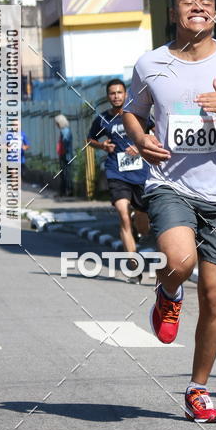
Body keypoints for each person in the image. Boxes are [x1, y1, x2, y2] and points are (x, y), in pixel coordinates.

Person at [122, 0, 216, 422]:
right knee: (181, 261)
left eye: (207, 3)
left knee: (214, 295)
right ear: (174, 14)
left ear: (215, 14)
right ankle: (168, 291)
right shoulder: (151, 63)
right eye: (189, 2)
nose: (199, 8)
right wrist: (140, 138)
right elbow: (132, 109)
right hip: (170, 184)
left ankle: (198, 388)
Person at [88, 79, 151, 281]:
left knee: (143, 223)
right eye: (112, 93)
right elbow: (90, 139)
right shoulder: (103, 119)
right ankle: (134, 266)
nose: (116, 96)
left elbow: (156, 132)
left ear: (125, 95)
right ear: (108, 96)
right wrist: (102, 146)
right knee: (123, 214)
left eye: (119, 92)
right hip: (117, 172)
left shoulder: (137, 115)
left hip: (141, 173)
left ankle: (137, 222)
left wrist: (140, 146)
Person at [55, 114, 74, 197]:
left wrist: (64, 152)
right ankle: (64, 191)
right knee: (64, 173)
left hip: (65, 155)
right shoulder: (64, 130)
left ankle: (67, 191)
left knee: (66, 173)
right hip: (64, 154)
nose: (56, 125)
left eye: (57, 123)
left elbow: (65, 141)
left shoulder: (65, 130)